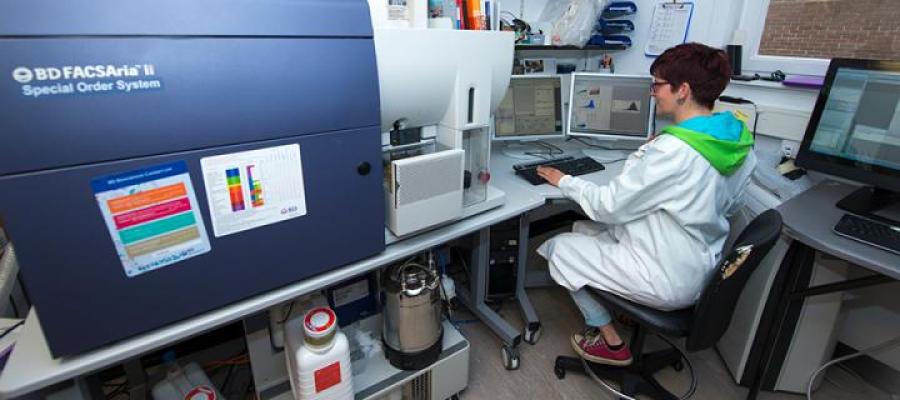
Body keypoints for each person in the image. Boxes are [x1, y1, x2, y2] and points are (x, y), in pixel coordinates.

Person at [535, 42, 756, 366]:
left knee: (560, 248)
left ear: (683, 90)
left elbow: (607, 206)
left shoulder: (671, 152)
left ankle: (610, 343)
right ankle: (626, 311)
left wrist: (564, 180)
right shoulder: (734, 138)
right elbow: (730, 203)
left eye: (658, 85)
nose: (652, 93)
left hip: (665, 278)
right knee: (582, 228)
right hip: (700, 263)